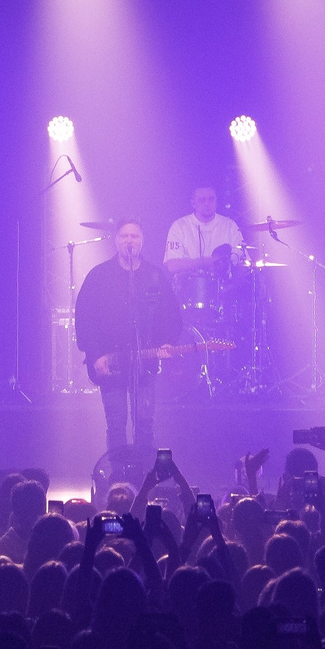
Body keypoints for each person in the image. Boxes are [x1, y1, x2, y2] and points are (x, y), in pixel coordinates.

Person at [76, 220, 180, 458]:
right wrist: (94, 355)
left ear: (142, 240)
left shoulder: (155, 276)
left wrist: (168, 342)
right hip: (110, 362)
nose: (129, 241)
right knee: (115, 425)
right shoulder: (99, 275)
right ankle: (118, 481)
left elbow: (172, 315)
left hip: (145, 363)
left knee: (144, 424)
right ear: (116, 240)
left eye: (134, 236)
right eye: (124, 236)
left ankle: (143, 477)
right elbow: (84, 318)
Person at [163, 184, 246, 276]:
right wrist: (205, 262)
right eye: (202, 200)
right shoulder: (179, 226)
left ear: (216, 201)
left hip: (225, 286)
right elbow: (172, 266)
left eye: (211, 199)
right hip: (189, 287)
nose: (207, 203)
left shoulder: (230, 226)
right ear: (193, 204)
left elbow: (243, 260)